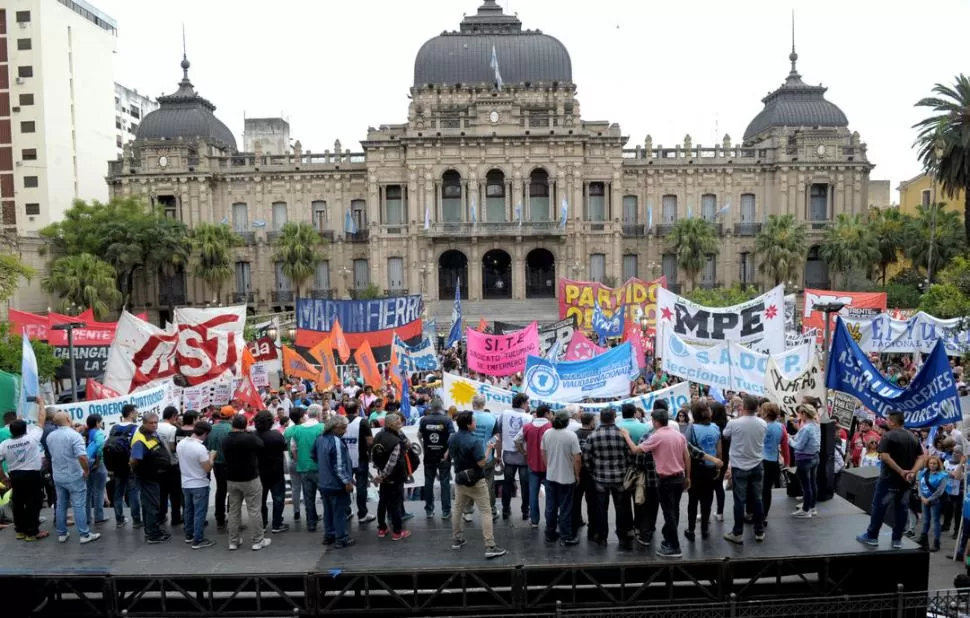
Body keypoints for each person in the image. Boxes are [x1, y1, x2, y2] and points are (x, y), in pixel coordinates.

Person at [621, 407, 690, 558]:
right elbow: (687, 456)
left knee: (668, 513)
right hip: (679, 477)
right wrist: (688, 477)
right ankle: (669, 539)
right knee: (674, 511)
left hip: (666, 480)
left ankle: (674, 547)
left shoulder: (656, 436)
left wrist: (626, 435)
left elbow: (636, 450)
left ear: (655, 422)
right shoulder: (679, 435)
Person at [856, 411, 925, 549]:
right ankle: (897, 539)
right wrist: (912, 472)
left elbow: (885, 456)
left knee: (879, 507)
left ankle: (872, 536)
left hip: (889, 479)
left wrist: (901, 471)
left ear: (893, 422)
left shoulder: (888, 436)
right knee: (902, 508)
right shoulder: (913, 436)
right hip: (906, 481)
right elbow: (922, 457)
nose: (886, 422)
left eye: (887, 420)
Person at [448, 410, 507, 559]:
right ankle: (490, 546)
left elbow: (449, 455)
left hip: (460, 478)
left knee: (458, 509)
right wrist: (489, 448)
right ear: (468, 425)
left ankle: (457, 539)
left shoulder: (452, 437)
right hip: (476, 480)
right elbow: (481, 463)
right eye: (473, 421)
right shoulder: (474, 441)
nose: (475, 423)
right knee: (486, 512)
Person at [46, 412, 100, 544]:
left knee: (61, 504)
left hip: (58, 475)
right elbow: (82, 456)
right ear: (68, 419)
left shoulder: (50, 436)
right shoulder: (74, 436)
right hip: (74, 475)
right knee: (79, 505)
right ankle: (84, 534)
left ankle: (62, 533)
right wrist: (86, 470)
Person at [582, 408, 632, 549]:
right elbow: (629, 455)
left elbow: (586, 458)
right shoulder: (622, 434)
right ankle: (622, 537)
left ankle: (602, 537)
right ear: (614, 418)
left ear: (601, 418)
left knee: (601, 509)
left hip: (600, 478)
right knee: (621, 509)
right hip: (620, 477)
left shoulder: (593, 435)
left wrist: (593, 472)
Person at [722, 395, 767, 545]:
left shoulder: (734, 423)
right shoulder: (762, 423)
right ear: (757, 408)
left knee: (739, 501)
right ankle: (759, 531)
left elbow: (725, 435)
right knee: (758, 499)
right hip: (757, 464)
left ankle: (737, 533)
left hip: (739, 466)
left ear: (743, 407)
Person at [222, 414, 271, 551]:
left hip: (232, 478)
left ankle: (233, 541)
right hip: (250, 478)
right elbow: (261, 445)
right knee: (254, 510)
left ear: (232, 424)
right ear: (245, 425)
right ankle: (258, 540)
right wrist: (249, 433)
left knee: (233, 511)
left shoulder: (225, 439)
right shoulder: (250, 438)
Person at [0, 415, 48, 540]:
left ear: (10, 431)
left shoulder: (4, 444)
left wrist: (3, 477)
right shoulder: (32, 437)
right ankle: (32, 533)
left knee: (18, 502)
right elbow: (41, 420)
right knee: (34, 502)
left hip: (15, 476)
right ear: (26, 429)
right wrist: (41, 405)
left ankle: (20, 531)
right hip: (32, 475)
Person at [130, 412, 174, 544]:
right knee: (151, 505)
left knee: (151, 504)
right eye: (151, 423)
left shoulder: (151, 434)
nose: (154, 425)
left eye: (156, 422)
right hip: (147, 476)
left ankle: (152, 530)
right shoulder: (140, 439)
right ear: (144, 423)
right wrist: (137, 470)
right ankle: (152, 535)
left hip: (155, 475)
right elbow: (134, 459)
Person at [312, 414, 355, 548]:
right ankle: (341, 538)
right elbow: (339, 466)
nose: (345, 431)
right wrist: (347, 481)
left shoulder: (320, 439)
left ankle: (329, 535)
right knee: (339, 512)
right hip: (336, 484)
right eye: (343, 428)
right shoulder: (336, 441)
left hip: (324, 482)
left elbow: (314, 456)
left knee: (328, 511)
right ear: (335, 427)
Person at [541, 409, 581, 546]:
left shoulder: (547, 433)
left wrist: (548, 467)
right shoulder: (571, 436)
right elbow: (577, 458)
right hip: (567, 477)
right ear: (567, 421)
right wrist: (577, 475)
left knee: (550, 506)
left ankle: (550, 533)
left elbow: (543, 452)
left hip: (551, 475)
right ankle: (566, 536)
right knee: (565, 508)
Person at [176, 421, 216, 549]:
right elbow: (207, 468)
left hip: (185, 483)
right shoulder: (200, 448)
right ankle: (198, 539)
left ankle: (189, 535)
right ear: (205, 434)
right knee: (199, 512)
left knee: (188, 510)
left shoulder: (181, 444)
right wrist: (212, 457)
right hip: (199, 483)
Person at [684, 401, 721, 541]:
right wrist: (718, 466)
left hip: (696, 469)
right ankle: (705, 529)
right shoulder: (715, 427)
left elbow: (687, 451)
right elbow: (719, 450)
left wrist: (687, 474)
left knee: (693, 500)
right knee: (707, 499)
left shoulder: (691, 428)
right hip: (711, 467)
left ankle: (691, 529)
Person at [372, 412, 411, 540]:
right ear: (392, 424)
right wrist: (383, 475)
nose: (401, 424)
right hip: (394, 476)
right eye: (398, 422)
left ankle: (382, 529)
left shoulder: (378, 435)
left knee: (382, 502)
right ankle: (397, 532)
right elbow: (392, 462)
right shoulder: (396, 441)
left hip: (383, 476)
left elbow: (374, 455)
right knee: (395, 504)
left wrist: (380, 473)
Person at [284, 405, 323, 532]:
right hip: (320, 468)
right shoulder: (322, 427)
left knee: (308, 497)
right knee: (326, 496)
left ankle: (311, 523)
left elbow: (293, 449)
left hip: (303, 467)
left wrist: (299, 461)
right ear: (319, 414)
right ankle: (330, 522)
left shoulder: (296, 430)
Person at [516, 404, 552, 529]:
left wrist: (523, 452)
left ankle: (534, 520)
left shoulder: (527, 426)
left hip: (532, 464)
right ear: (546, 413)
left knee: (533, 493)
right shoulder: (550, 426)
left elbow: (517, 440)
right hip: (548, 465)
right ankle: (550, 520)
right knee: (550, 494)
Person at [496, 393, 532, 521]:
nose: (528, 405)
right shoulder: (529, 417)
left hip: (508, 455)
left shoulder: (504, 414)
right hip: (523, 456)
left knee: (507, 483)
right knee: (525, 485)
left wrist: (498, 455)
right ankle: (525, 511)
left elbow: (498, 435)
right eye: (527, 402)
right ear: (522, 403)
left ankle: (506, 510)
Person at [107, 404, 141, 528]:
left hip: (116, 466)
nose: (137, 415)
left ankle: (119, 519)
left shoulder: (114, 428)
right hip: (130, 464)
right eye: (136, 412)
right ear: (131, 413)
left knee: (118, 492)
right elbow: (137, 447)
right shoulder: (136, 428)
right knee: (133, 493)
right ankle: (136, 521)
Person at [419, 398, 453, 519]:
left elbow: (419, 435)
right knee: (445, 482)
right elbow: (452, 437)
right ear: (441, 407)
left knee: (428, 482)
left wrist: (424, 448)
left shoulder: (424, 420)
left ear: (431, 407)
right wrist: (447, 452)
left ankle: (429, 510)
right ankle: (446, 511)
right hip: (443, 456)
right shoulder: (447, 420)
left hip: (429, 455)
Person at [254, 410, 288, 534]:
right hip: (276, 471)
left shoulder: (253, 436)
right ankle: (277, 524)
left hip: (259, 472)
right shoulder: (276, 435)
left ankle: (263, 523)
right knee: (278, 498)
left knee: (260, 499)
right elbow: (284, 447)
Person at [342, 402, 376, 524]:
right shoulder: (363, 422)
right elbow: (370, 441)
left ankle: (346, 512)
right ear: (357, 409)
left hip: (345, 460)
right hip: (361, 459)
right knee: (361, 487)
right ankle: (362, 514)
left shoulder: (341, 422)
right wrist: (370, 455)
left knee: (345, 485)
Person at [468, 394, 499, 521]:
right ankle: (492, 510)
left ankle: (468, 512)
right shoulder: (492, 417)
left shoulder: (467, 416)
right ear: (484, 404)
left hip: (469, 457)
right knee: (488, 484)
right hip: (487, 457)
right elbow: (496, 437)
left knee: (469, 483)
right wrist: (488, 446)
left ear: (473, 404)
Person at [205, 406, 234, 530]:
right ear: (231, 416)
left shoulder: (211, 429)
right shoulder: (232, 429)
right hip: (230, 464)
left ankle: (219, 517)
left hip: (216, 464)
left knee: (221, 490)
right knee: (233, 491)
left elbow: (205, 446)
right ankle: (232, 517)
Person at [790, 404, 821, 518]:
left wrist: (789, 440)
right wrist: (793, 437)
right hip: (814, 457)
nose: (798, 416)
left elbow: (799, 446)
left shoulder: (806, 428)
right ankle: (812, 507)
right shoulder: (816, 425)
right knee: (812, 484)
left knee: (806, 487)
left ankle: (805, 510)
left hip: (804, 459)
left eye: (800, 413)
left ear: (804, 414)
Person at [572, 413, 597, 539]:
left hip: (577, 470)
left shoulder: (575, 434)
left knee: (576, 498)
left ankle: (576, 521)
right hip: (591, 471)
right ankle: (592, 526)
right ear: (591, 421)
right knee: (592, 500)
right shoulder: (595, 434)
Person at [156, 406, 182, 527]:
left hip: (158, 464)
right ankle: (176, 518)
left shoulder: (156, 426)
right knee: (175, 493)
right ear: (173, 416)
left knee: (162, 492)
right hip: (172, 464)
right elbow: (172, 447)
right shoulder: (172, 429)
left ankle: (161, 516)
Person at [917, 455, 948, 552]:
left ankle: (936, 543)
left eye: (934, 463)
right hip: (924, 500)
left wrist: (929, 499)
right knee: (926, 520)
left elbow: (940, 491)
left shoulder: (942, 475)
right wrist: (921, 497)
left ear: (938, 464)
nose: (932, 465)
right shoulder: (923, 472)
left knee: (935, 521)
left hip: (935, 501)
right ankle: (923, 539)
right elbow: (919, 485)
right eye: (931, 463)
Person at [760, 403, 784, 525]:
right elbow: (783, 444)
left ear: (766, 413)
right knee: (767, 490)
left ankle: (757, 515)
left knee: (758, 490)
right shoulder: (781, 427)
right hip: (773, 460)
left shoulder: (763, 426)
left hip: (762, 460)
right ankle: (764, 515)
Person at [83, 414, 108, 527]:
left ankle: (86, 517)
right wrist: (97, 463)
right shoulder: (99, 433)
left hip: (85, 463)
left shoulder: (84, 433)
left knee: (87, 492)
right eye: (100, 422)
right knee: (99, 491)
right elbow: (100, 449)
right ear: (97, 423)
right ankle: (99, 517)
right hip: (98, 464)